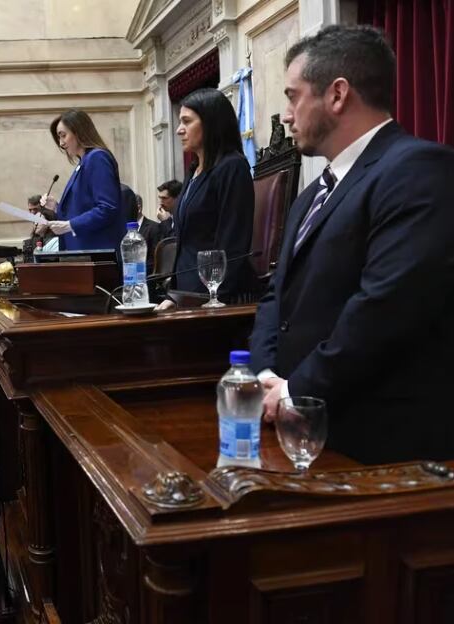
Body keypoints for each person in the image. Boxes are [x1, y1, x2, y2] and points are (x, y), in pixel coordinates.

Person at [250, 25, 454, 465]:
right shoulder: (309, 195)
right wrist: (267, 374)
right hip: (298, 427)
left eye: (293, 95)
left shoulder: (418, 169)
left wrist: (297, 389)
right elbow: (275, 296)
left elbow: (385, 308)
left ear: (337, 95)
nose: (286, 114)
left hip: (378, 445)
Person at [156, 89, 255, 310]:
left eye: (187, 122)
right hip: (186, 294)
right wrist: (174, 296)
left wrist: (213, 300)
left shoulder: (232, 166)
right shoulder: (194, 171)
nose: (179, 130)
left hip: (217, 300)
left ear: (210, 123)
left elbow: (233, 242)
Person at [42, 109, 123, 252]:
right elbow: (83, 207)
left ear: (78, 132)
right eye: (59, 138)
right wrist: (56, 207)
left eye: (63, 136)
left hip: (97, 252)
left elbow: (107, 208)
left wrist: (71, 225)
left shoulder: (97, 158)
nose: (61, 143)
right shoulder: (84, 161)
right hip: (83, 252)